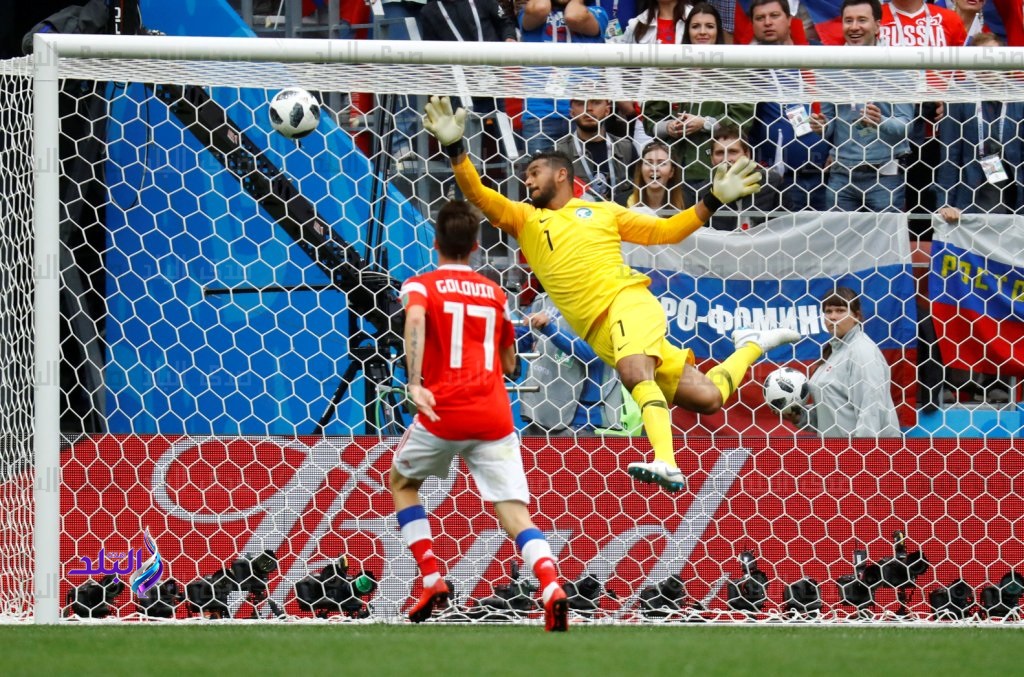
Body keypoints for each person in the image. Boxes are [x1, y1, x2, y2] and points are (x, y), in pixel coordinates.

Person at [423, 95, 800, 492]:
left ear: (562, 175)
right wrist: (456, 149)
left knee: (635, 374)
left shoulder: (603, 211)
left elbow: (666, 231)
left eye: (534, 172)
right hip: (600, 333)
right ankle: (752, 344)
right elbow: (479, 194)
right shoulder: (524, 218)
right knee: (707, 398)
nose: (527, 181)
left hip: (627, 303)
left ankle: (666, 461)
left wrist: (712, 200)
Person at [391, 200, 569, 631]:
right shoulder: (494, 294)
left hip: (444, 410)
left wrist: (414, 381)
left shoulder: (420, 286)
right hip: (493, 416)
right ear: (475, 246)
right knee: (514, 513)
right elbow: (509, 364)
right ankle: (550, 585)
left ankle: (431, 578)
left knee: (402, 483)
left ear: (435, 243)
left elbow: (414, 320)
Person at [643, 2, 755, 206]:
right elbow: (650, 120)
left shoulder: (735, 70)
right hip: (675, 170)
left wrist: (705, 123)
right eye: (696, 26)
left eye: (709, 26)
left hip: (720, 171)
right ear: (687, 31)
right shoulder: (671, 69)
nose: (702, 32)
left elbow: (742, 121)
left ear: (718, 31)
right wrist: (668, 127)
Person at [808, 0, 913, 213]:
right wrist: (822, 127)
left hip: (885, 176)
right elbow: (830, 125)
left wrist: (880, 121)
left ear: (877, 25)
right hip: (841, 175)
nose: (854, 27)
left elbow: (906, 126)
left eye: (862, 20)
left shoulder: (899, 64)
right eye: (848, 21)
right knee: (838, 234)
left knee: (885, 235)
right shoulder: (830, 67)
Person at [745, 0, 830, 211]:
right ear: (752, 24)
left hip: (828, 177)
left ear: (789, 19)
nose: (767, 22)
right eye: (760, 18)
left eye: (774, 16)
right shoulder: (748, 66)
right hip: (780, 180)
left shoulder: (819, 55)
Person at [782, 287, 901, 437]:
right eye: (828, 311)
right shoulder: (834, 352)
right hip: (835, 449)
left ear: (856, 316)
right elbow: (832, 415)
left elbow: (871, 411)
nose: (833, 317)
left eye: (840, 310)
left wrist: (861, 450)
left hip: (860, 450)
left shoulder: (862, 351)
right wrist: (799, 416)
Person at [518, 291, 635, 434]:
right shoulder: (544, 300)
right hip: (538, 412)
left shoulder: (602, 304)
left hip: (578, 421)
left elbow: (595, 355)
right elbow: (522, 339)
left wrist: (549, 329)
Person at [936, 32, 1024, 220]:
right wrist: (945, 203)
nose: (987, 66)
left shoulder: (1020, 94)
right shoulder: (959, 95)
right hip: (971, 189)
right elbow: (950, 153)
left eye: (993, 58)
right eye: (981, 60)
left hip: (1016, 191)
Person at [518, 0, 609, 154]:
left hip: (584, 113)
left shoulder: (597, 13)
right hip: (540, 113)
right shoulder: (531, 10)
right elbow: (540, 8)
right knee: (540, 168)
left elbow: (574, 17)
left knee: (585, 168)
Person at [698, 122, 783, 229]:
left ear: (747, 154)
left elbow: (786, 226)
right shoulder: (704, 191)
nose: (726, 159)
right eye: (719, 153)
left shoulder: (771, 183)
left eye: (732, 151)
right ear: (711, 159)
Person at [555, 97, 636, 204]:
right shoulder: (560, 152)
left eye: (596, 102)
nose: (588, 108)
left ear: (607, 110)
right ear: (572, 113)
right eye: (581, 103)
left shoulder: (625, 148)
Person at [627, 139, 686, 215]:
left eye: (662, 163)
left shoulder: (688, 203)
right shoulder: (621, 203)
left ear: (671, 171)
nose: (654, 168)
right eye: (649, 163)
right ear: (641, 168)